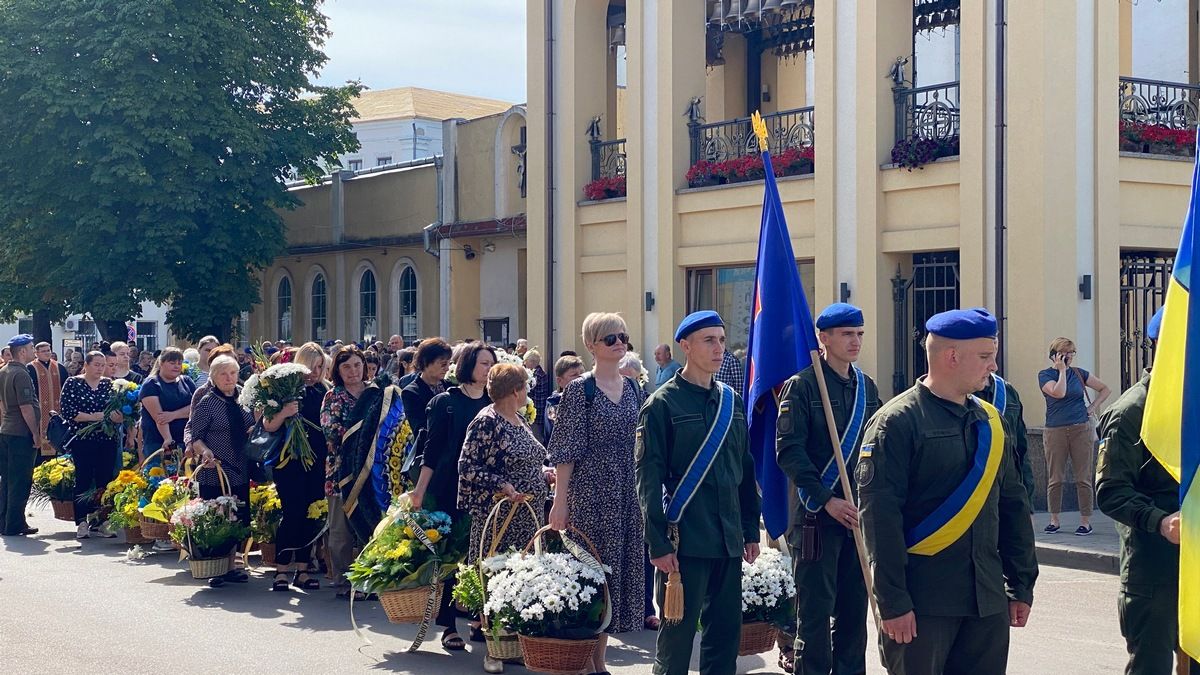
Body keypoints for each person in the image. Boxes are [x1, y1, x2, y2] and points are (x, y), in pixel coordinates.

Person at [858, 308, 1037, 675]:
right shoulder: (898, 422)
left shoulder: (991, 421)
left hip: (985, 601)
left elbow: (1013, 506)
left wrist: (1021, 583)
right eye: (985, 357)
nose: (994, 366)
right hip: (924, 603)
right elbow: (880, 521)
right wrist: (893, 602)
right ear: (951, 356)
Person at [636, 311, 762, 675]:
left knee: (724, 639)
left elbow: (744, 468)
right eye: (709, 340)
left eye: (722, 340)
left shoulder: (731, 401)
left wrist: (751, 529)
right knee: (675, 645)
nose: (719, 348)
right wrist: (657, 542)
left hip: (727, 538)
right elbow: (647, 477)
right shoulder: (662, 404)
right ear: (685, 346)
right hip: (685, 541)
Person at [775, 303, 881, 675]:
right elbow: (789, 451)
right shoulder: (803, 386)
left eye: (860, 334)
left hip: (856, 518)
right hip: (816, 518)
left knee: (855, 610)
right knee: (816, 614)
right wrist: (826, 499)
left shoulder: (866, 387)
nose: (856, 341)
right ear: (824, 338)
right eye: (847, 334)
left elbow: (877, 448)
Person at [1096, 308, 1200, 675]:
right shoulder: (1132, 412)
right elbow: (1110, 491)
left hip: (1197, 567)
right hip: (1155, 571)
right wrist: (1160, 521)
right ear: (1164, 347)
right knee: (1151, 667)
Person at [547, 313, 647, 673]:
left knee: (614, 576)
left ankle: (599, 662)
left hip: (626, 492)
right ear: (591, 345)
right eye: (609, 338)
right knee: (591, 576)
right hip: (590, 494)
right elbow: (565, 452)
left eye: (623, 336)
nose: (619, 343)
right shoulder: (580, 390)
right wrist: (560, 504)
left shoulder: (634, 387)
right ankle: (586, 661)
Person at [458, 362, 552, 674]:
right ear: (515, 390)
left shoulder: (520, 418)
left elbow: (528, 461)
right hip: (500, 517)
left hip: (528, 516)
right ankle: (494, 651)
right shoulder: (487, 421)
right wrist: (503, 486)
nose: (528, 391)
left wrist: (544, 474)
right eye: (525, 385)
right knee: (496, 580)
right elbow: (467, 466)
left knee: (520, 581)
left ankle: (515, 645)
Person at [407, 342, 495, 651]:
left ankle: (478, 618)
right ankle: (447, 625)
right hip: (447, 487)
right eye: (484, 363)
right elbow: (431, 450)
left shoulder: (494, 402)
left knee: (481, 554)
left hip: (484, 489)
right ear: (469, 365)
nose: (488, 369)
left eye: (492, 364)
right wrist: (420, 491)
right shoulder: (447, 402)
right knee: (447, 557)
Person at [261, 342, 328, 591]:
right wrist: (284, 412)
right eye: (313, 365)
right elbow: (268, 425)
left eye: (321, 366)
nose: (316, 371)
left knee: (312, 512)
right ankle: (281, 570)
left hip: (317, 460)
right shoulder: (286, 388)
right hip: (289, 461)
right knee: (293, 513)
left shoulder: (324, 391)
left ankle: (302, 568)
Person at [186, 355, 254, 587]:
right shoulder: (207, 402)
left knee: (239, 515)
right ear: (213, 377)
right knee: (217, 516)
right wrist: (204, 452)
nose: (229, 378)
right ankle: (215, 565)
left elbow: (252, 424)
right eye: (223, 374)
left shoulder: (244, 399)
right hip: (215, 468)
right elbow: (196, 437)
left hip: (240, 466)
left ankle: (232, 565)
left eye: (233, 373)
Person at [1038, 337, 1112, 535]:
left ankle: (1085, 521)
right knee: (1056, 478)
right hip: (1055, 430)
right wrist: (1061, 370)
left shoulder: (1080, 374)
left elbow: (1105, 389)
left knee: (1083, 478)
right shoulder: (1045, 375)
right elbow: (1058, 392)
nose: (1069, 356)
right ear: (1054, 355)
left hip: (1081, 429)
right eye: (1064, 352)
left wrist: (1092, 407)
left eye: (1071, 353)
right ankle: (1054, 519)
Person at [320, 346, 369, 599]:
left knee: (369, 527)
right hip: (341, 471)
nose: (353, 371)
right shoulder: (333, 396)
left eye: (357, 365)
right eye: (346, 366)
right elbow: (332, 430)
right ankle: (343, 581)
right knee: (341, 531)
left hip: (372, 471)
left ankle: (368, 579)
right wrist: (363, 436)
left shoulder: (374, 393)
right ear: (338, 370)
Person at [60, 351, 124, 539]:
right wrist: (93, 417)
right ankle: (81, 521)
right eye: (96, 364)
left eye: (102, 365)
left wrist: (119, 417)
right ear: (86, 365)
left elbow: (117, 410)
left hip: (106, 439)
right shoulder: (73, 383)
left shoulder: (109, 384)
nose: (100, 369)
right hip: (83, 440)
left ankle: (102, 520)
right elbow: (68, 411)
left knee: (105, 479)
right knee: (84, 479)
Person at [975, 371, 1036, 523]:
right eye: (983, 354)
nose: (993, 363)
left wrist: (1028, 505)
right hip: (971, 496)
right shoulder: (956, 394)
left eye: (995, 345)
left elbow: (1021, 452)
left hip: (1008, 493)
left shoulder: (1007, 392)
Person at [0, 335, 42, 536]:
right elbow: (26, 407)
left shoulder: (4, 371)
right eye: (31, 347)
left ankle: (5, 521)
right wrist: (35, 433)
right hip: (20, 433)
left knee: (7, 480)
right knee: (21, 480)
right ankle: (15, 524)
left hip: (7, 430)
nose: (34, 350)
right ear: (22, 351)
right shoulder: (21, 374)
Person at [400, 338, 453, 477]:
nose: (447, 368)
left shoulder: (451, 387)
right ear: (425, 362)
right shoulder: (411, 392)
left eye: (449, 363)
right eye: (443, 364)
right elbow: (420, 430)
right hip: (431, 461)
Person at [139, 347, 196, 463]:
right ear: (161, 363)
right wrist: (168, 438)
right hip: (159, 443)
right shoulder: (151, 384)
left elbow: (196, 408)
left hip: (185, 441)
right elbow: (160, 417)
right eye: (172, 363)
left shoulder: (187, 381)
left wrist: (174, 415)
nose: (176, 366)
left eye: (179, 363)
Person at [27, 341, 68, 459]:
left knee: (58, 438)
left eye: (48, 350)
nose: (47, 353)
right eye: (43, 351)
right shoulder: (30, 368)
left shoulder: (59, 367)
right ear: (36, 353)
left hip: (57, 411)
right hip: (39, 412)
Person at [544, 354, 585, 441]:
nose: (581, 378)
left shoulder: (589, 398)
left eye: (582, 374)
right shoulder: (554, 403)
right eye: (574, 375)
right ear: (560, 381)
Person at [523, 350, 550, 441]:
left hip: (535, 413)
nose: (524, 363)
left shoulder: (535, 375)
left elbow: (528, 393)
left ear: (531, 362)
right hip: (540, 411)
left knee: (536, 438)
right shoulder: (541, 373)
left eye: (525, 361)